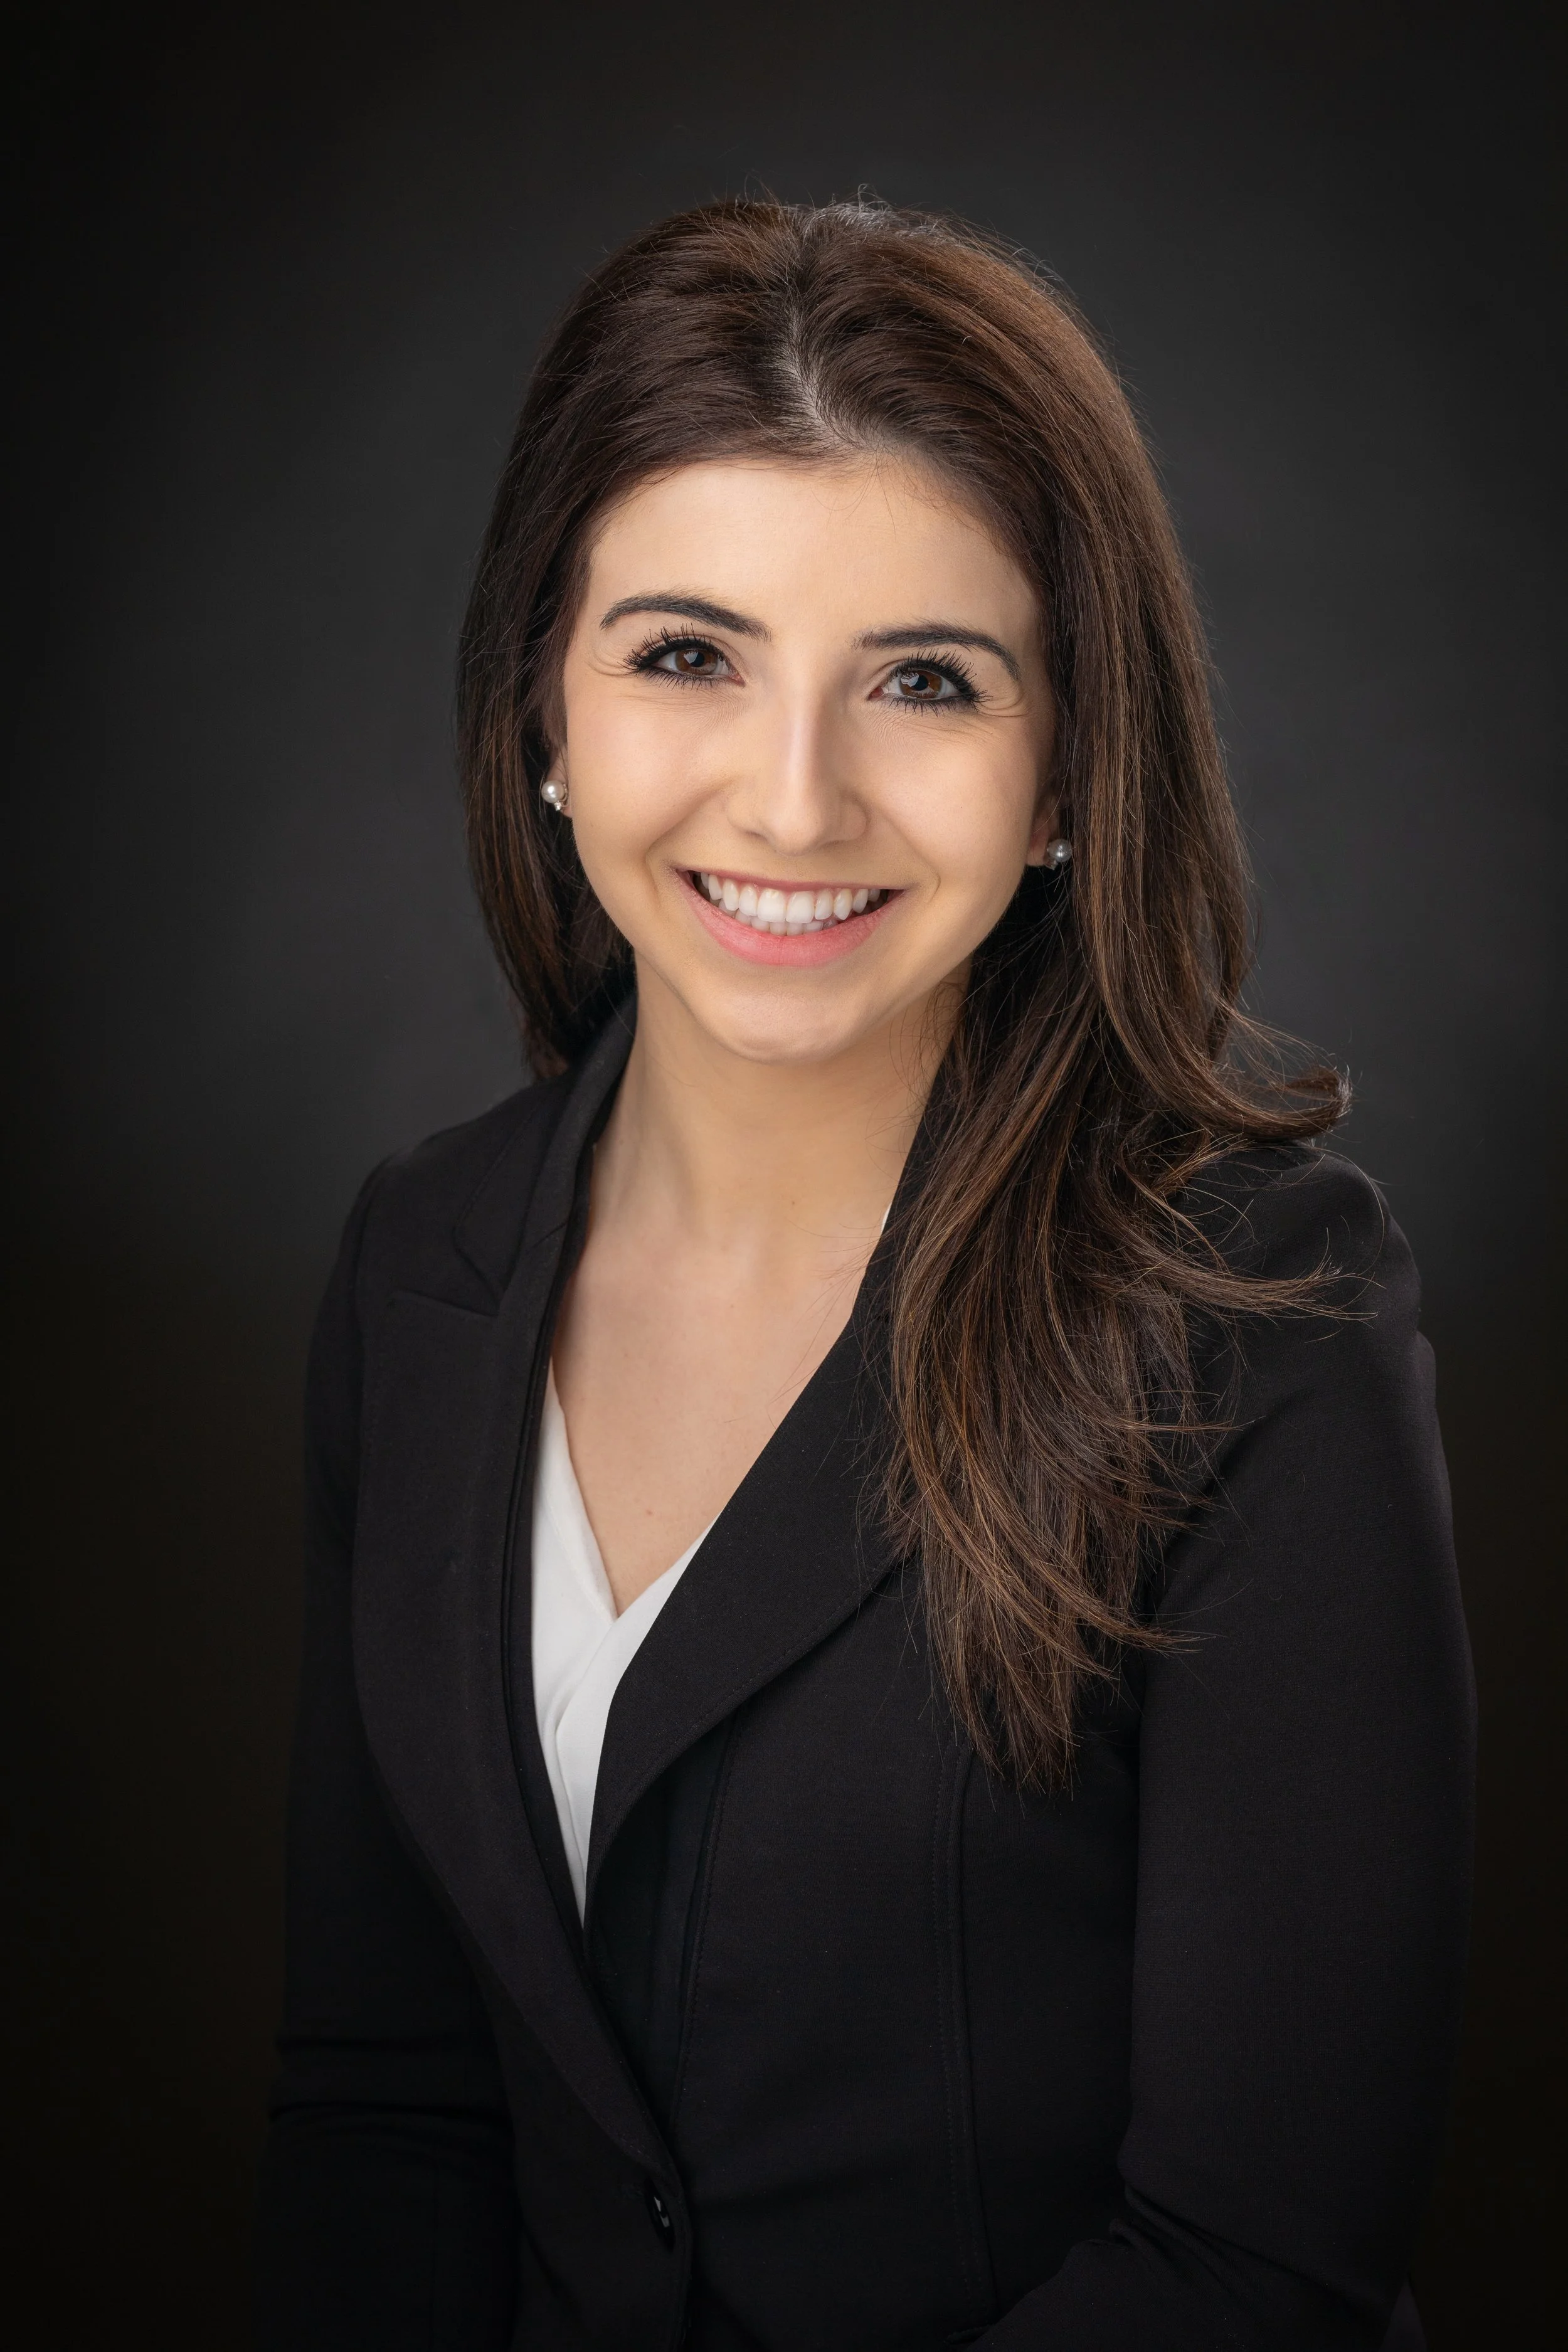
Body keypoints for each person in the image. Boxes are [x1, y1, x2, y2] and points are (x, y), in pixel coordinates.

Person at [255, 200, 1473, 2351]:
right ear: (545, 705)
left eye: (923, 678)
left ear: (1069, 772)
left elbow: (1253, 2257)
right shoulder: (417, 1265)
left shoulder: (1259, 1313)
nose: (793, 796)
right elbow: (388, 2107)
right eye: (684, 653)